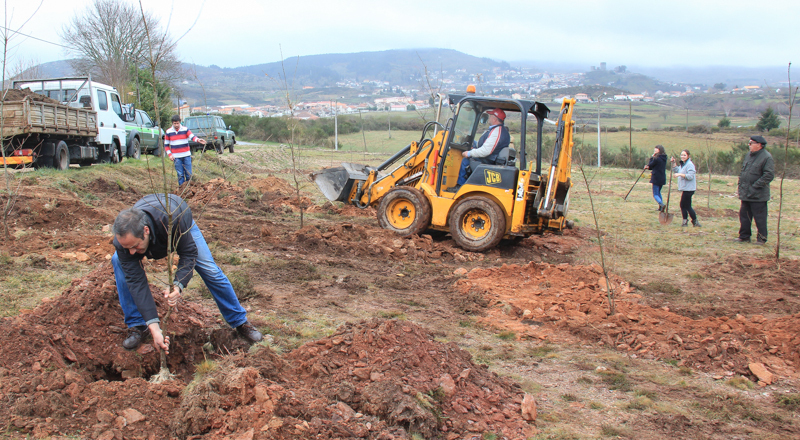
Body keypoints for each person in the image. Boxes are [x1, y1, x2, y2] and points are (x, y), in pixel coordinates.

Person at [112, 193, 262, 351]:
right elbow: (136, 283)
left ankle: (239, 321)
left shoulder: (172, 221)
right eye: (127, 248)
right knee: (118, 261)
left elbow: (189, 254)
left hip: (180, 222)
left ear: (146, 231)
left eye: (135, 246)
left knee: (210, 270)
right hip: (154, 223)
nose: (132, 252)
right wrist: (154, 327)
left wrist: (178, 285)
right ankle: (137, 325)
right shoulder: (124, 242)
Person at [448, 108, 510, 191]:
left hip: (489, 160)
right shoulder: (497, 130)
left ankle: (460, 186)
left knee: (465, 161)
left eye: (490, 116)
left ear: (495, 119)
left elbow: (486, 151)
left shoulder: (497, 132)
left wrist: (469, 153)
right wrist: (474, 145)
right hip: (491, 157)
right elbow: (487, 145)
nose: (489, 117)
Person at [735, 135, 774, 244]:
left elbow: (769, 175)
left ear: (760, 145)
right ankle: (744, 236)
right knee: (744, 216)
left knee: (760, 218)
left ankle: (761, 239)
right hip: (746, 193)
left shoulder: (767, 157)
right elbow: (744, 172)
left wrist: (755, 186)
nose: (749, 145)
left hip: (758, 195)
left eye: (751, 143)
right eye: (749, 142)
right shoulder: (748, 155)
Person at [164, 115, 206, 186]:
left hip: (186, 155)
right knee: (180, 175)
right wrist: (170, 155)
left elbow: (192, 136)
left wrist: (198, 140)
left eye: (177, 123)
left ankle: (189, 188)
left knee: (189, 174)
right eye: (175, 123)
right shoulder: (168, 132)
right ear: (172, 123)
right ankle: (182, 189)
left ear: (180, 122)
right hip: (176, 157)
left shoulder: (185, 129)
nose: (176, 125)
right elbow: (166, 145)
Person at [671, 149, 699, 227]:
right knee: (683, 205)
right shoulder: (683, 164)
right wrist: (673, 163)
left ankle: (694, 222)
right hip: (685, 188)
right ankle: (686, 222)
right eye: (681, 155)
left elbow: (690, 176)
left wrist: (680, 174)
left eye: (684, 155)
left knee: (686, 205)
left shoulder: (690, 164)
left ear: (688, 156)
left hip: (689, 189)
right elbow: (677, 170)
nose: (682, 156)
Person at [644, 145, 667, 211]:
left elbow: (650, 165)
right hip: (662, 177)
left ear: (659, 150)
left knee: (655, 194)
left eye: (656, 150)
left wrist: (652, 157)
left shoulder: (656, 158)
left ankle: (661, 204)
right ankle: (660, 207)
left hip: (656, 177)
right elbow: (652, 167)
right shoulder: (664, 158)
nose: (654, 151)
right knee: (658, 192)